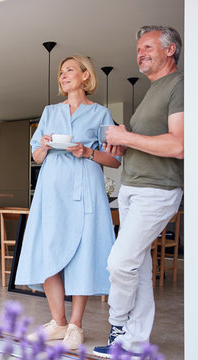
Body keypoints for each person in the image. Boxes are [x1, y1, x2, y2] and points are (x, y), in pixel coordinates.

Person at [15, 55, 121, 350]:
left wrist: (87, 152)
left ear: (86, 76)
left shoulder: (100, 113)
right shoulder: (49, 112)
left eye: (69, 70)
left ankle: (76, 325)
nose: (63, 76)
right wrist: (46, 145)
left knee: (83, 252)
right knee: (48, 248)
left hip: (85, 187)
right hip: (51, 190)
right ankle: (58, 322)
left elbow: (114, 159)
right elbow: (35, 155)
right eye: (61, 72)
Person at [93, 25, 184, 358]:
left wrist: (125, 137)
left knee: (119, 262)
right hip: (132, 188)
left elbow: (179, 144)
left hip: (156, 190)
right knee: (138, 268)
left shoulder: (181, 85)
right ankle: (135, 343)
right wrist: (122, 146)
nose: (139, 54)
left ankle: (118, 326)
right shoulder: (153, 90)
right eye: (138, 50)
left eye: (147, 47)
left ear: (170, 50)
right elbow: (149, 144)